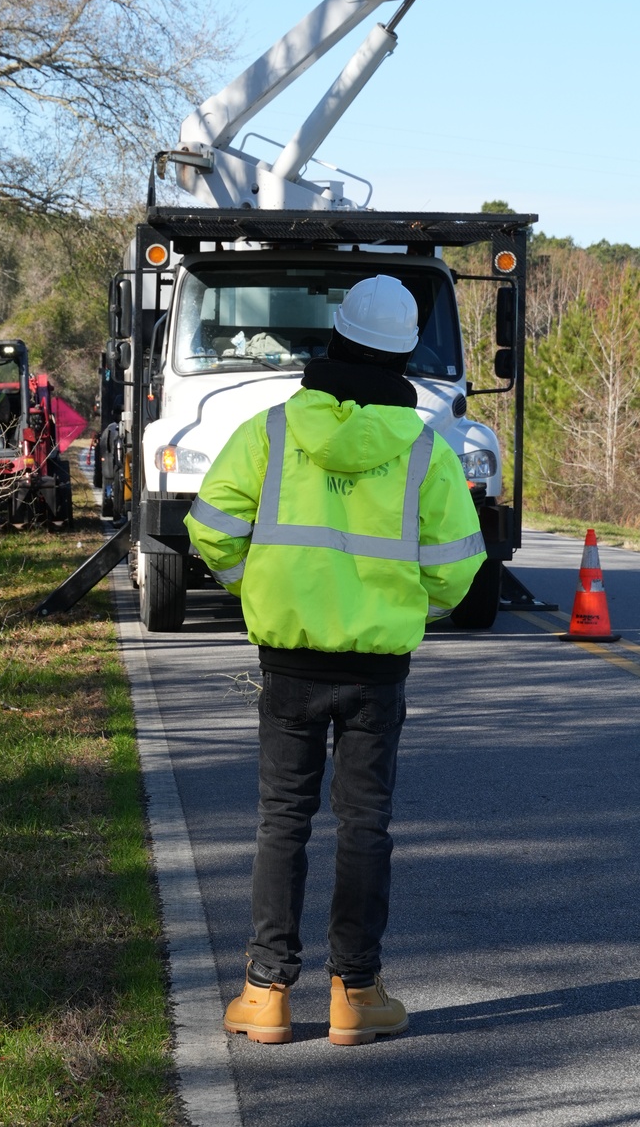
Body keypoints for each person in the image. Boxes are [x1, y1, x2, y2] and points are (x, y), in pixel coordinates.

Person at [184, 275, 486, 1047]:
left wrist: (255, 587)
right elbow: (457, 568)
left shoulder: (272, 430)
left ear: (336, 339)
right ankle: (356, 992)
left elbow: (211, 528)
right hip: (377, 672)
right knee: (365, 826)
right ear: (406, 355)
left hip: (288, 662)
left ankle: (264, 995)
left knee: (282, 821)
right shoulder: (426, 450)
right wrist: (407, 610)